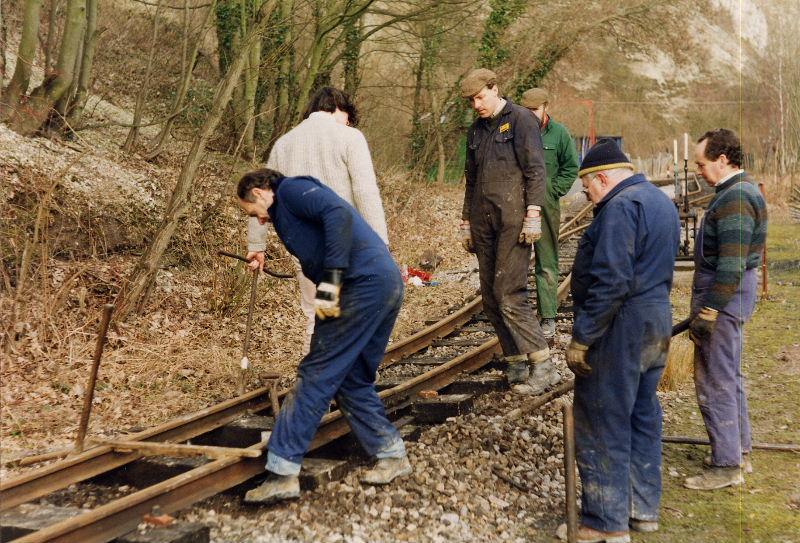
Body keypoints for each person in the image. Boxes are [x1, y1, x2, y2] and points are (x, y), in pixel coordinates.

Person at [237, 169, 411, 504]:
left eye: (252, 212)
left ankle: (283, 471)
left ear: (260, 192)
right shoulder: (285, 209)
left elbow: (338, 214)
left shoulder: (292, 190)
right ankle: (391, 454)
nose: (258, 221)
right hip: (376, 283)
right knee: (351, 377)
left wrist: (330, 280)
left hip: (359, 286)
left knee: (316, 371)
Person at [566, 139, 679, 542]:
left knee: (602, 418)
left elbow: (611, 280)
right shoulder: (661, 202)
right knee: (643, 415)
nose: (587, 196)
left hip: (621, 324)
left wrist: (583, 337)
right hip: (656, 319)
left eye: (587, 188)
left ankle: (604, 522)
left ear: (602, 178)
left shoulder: (618, 208)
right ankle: (642, 509)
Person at [246, 87, 389, 355]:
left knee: (317, 314)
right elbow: (365, 193)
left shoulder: (284, 143)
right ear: (337, 108)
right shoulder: (350, 137)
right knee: (348, 314)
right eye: (348, 116)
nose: (348, 123)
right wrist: (380, 245)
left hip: (305, 252)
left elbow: (260, 195)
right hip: (346, 251)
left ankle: (315, 377)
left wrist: (257, 245)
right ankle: (342, 382)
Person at [459, 68, 556, 395]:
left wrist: (533, 213)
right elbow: (470, 181)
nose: (476, 105)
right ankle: (515, 360)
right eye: (471, 100)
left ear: (494, 88)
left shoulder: (521, 121)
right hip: (483, 220)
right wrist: (465, 222)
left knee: (508, 292)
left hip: (514, 220)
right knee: (490, 296)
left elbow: (535, 170)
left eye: (480, 97)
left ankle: (543, 364)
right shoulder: (476, 130)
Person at [683, 128, 767, 491]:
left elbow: (731, 266)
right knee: (729, 375)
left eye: (702, 164)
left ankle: (726, 464)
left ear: (722, 160)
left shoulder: (734, 198)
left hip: (724, 297)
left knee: (715, 379)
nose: (700, 171)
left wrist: (709, 312)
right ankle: (739, 450)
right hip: (730, 296)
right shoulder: (736, 192)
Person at [519, 88, 579, 339]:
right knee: (515, 264)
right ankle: (519, 317)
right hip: (517, 207)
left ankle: (548, 317)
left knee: (546, 262)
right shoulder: (516, 132)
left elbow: (571, 167)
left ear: (546, 107)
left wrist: (553, 191)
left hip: (546, 207)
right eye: (527, 110)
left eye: (535, 109)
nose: (531, 114)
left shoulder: (560, 134)